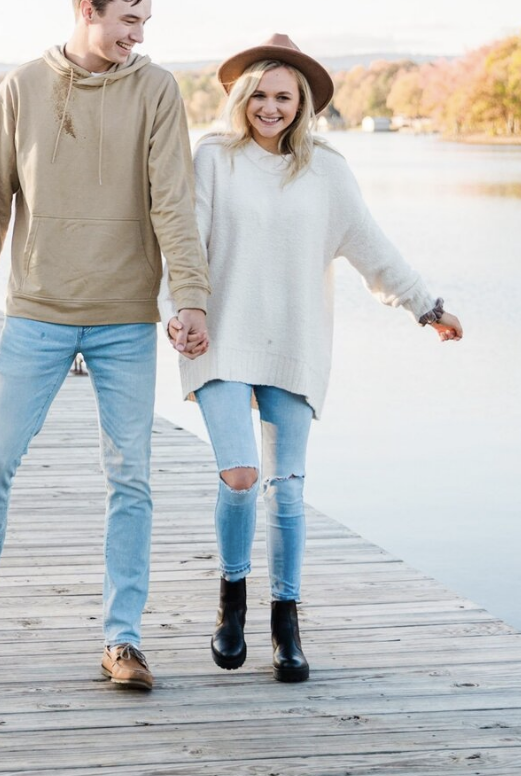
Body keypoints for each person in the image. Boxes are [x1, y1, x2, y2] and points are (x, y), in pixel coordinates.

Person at [160, 34, 462, 682]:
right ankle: (232, 600)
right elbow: (181, 239)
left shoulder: (327, 170)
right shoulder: (213, 156)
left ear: (303, 106)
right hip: (218, 336)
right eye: (260, 96)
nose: (270, 108)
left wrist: (426, 307)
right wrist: (180, 310)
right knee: (240, 475)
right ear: (242, 98)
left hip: (294, 340)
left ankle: (286, 622)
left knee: (289, 492)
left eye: (284, 98)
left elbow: (372, 249)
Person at [0, 0, 210, 692]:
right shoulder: (23, 88)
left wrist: (189, 296)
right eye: (128, 19)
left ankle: (122, 640)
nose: (138, 34)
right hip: (37, 311)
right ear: (88, 8)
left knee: (132, 478)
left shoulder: (157, 91)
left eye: (145, 21)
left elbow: (173, 206)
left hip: (126, 318)